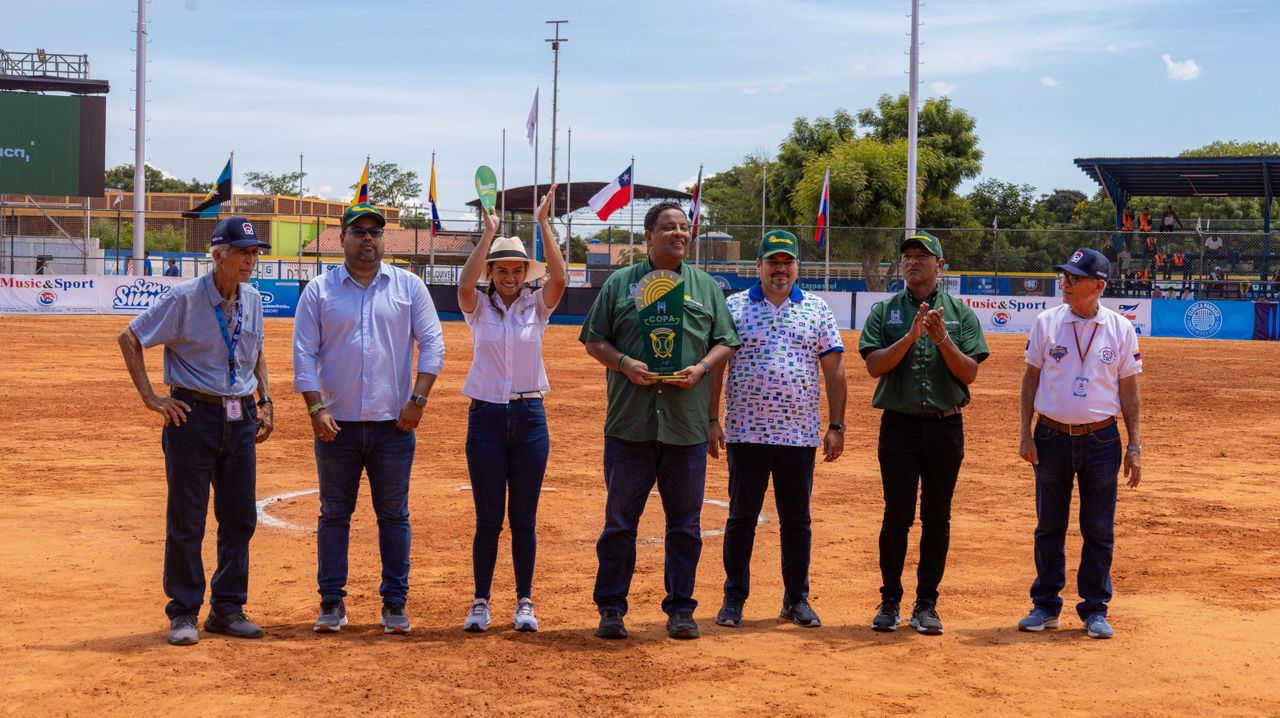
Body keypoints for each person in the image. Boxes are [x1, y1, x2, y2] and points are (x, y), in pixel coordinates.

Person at [580, 201, 741, 641]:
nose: (679, 233)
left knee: (685, 526)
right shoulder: (619, 284)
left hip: (685, 426)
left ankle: (681, 609)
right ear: (648, 237)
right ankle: (611, 608)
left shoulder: (706, 287)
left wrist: (703, 369)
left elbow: (725, 342)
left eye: (684, 227)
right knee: (619, 524)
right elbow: (594, 340)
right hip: (630, 425)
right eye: (668, 227)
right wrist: (625, 363)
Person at [117, 216, 274, 646]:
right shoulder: (184, 298)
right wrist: (152, 398)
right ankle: (184, 612)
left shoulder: (254, 300)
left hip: (240, 417)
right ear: (218, 255)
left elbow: (255, 349)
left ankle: (227, 609)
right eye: (243, 252)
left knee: (239, 517)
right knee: (187, 519)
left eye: (254, 252)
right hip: (192, 416)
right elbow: (129, 338)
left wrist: (266, 400)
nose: (250, 260)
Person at [293, 202, 445, 636]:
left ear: (383, 239)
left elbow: (433, 345)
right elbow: (303, 353)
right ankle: (331, 601)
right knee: (334, 515)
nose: (367, 239)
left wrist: (418, 399)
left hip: (394, 425)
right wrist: (315, 407)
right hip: (334, 425)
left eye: (374, 232)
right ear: (340, 238)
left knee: (394, 516)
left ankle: (394, 603)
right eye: (357, 231)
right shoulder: (319, 291)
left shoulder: (409, 286)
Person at [706, 230, 846, 630]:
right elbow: (716, 366)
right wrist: (712, 419)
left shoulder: (817, 310)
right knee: (741, 517)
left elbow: (834, 369)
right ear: (759, 266)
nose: (780, 269)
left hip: (799, 434)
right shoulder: (733, 307)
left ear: (797, 267)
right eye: (773, 261)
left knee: (797, 519)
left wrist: (836, 425)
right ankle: (734, 599)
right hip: (746, 431)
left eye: (787, 262)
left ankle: (796, 599)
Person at [858, 231, 989, 635]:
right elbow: (875, 366)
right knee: (896, 516)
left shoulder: (962, 314)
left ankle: (927, 604)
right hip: (898, 428)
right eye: (908, 256)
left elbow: (969, 372)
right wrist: (911, 336)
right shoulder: (885, 311)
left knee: (937, 517)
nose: (912, 261)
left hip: (945, 427)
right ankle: (890, 601)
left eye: (922, 256)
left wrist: (941, 338)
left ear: (940, 266)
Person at [455, 186, 566, 633]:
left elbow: (559, 278)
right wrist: (490, 234)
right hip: (484, 418)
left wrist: (543, 223)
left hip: (529, 417)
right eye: (501, 269)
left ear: (524, 272)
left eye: (516, 269)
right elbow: (464, 283)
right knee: (487, 519)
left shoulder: (535, 309)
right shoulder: (477, 308)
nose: (509, 276)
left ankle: (524, 601)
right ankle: (481, 601)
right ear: (492, 271)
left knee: (523, 517)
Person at [1017, 248, 1142, 639]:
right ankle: (1045, 605)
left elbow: (1129, 391)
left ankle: (1094, 609)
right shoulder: (1046, 323)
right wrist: (1024, 430)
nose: (1065, 283)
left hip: (1102, 438)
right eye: (1064, 276)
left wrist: (1134, 444)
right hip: (1051, 436)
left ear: (1098, 285)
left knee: (1099, 528)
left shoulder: (1121, 328)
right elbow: (1030, 379)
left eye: (1073, 277)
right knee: (1048, 526)